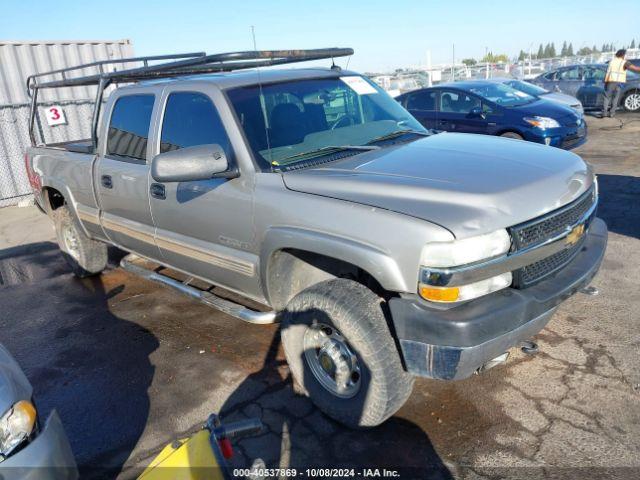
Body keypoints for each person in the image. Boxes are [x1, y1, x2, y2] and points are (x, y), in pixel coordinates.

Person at [602, 49, 640, 118]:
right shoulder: (624, 62)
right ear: (623, 55)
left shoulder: (611, 61)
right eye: (625, 55)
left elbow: (608, 71)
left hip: (610, 81)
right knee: (615, 98)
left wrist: (605, 80)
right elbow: (636, 69)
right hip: (619, 82)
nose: (626, 56)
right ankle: (612, 113)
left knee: (607, 97)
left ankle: (604, 113)